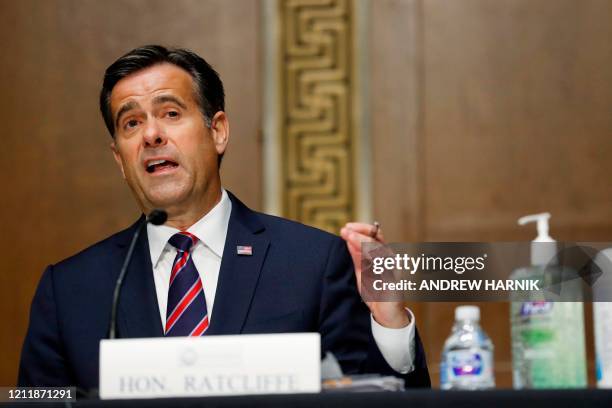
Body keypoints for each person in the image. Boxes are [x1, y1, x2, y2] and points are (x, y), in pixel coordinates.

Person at [18, 45, 430, 391]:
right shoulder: (70, 289)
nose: (150, 135)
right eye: (131, 122)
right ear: (119, 160)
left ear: (217, 132)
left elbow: (375, 397)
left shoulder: (311, 263)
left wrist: (390, 324)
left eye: (171, 114)